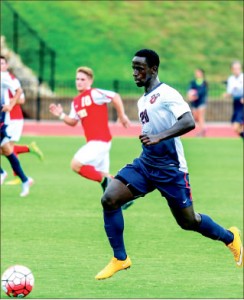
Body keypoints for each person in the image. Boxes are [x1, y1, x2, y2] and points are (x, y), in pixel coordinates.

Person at [95, 49, 243, 280]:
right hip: (146, 164)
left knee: (188, 221)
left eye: (139, 68)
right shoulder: (143, 99)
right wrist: (150, 138)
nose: (135, 73)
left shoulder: (167, 94)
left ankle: (230, 238)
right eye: (133, 68)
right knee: (109, 198)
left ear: (153, 69)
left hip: (171, 170)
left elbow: (188, 121)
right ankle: (120, 258)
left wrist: (159, 136)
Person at [49, 66, 132, 201]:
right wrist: (60, 115)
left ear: (90, 81)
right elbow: (73, 121)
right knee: (104, 174)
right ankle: (125, 199)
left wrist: (122, 115)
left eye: (83, 79)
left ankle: (106, 182)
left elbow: (115, 97)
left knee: (76, 165)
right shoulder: (76, 102)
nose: (79, 82)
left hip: (99, 141)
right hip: (97, 142)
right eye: (77, 79)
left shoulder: (94, 94)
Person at [0, 56, 44, 186]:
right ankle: (21, 175)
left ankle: (20, 177)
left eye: (2, 63)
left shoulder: (11, 79)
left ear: (7, 66)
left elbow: (22, 99)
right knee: (6, 149)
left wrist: (9, 102)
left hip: (12, 118)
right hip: (5, 118)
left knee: (8, 149)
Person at [1, 69, 33, 197]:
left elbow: (18, 91)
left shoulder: (3, 77)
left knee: (8, 151)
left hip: (1, 120)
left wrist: (10, 104)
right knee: (8, 151)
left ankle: (4, 173)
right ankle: (25, 180)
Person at [224, 61, 243, 138]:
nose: (237, 70)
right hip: (236, 103)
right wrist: (227, 94)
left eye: (238, 68)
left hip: (242, 105)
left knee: (236, 126)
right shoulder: (231, 79)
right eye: (235, 68)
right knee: (238, 128)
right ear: (232, 69)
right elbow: (230, 92)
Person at [187, 68, 208, 137]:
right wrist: (190, 96)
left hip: (201, 102)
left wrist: (196, 96)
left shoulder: (204, 82)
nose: (197, 74)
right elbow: (189, 90)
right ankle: (203, 129)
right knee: (196, 117)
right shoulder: (193, 82)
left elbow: (202, 92)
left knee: (200, 116)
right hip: (194, 103)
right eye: (196, 73)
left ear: (202, 74)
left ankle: (202, 132)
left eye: (198, 73)